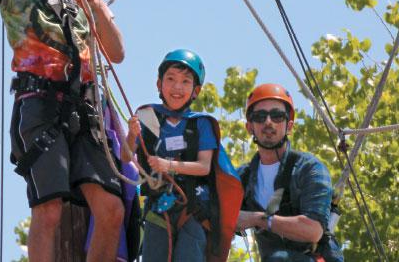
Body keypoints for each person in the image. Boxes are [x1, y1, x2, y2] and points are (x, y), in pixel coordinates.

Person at [0, 0, 127, 262]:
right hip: (41, 103)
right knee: (50, 208)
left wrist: (98, 6)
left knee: (111, 209)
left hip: (84, 109)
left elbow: (116, 53)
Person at [122, 49, 242, 262]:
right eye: (171, 79)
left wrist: (167, 165)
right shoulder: (147, 116)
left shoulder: (201, 123)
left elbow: (204, 166)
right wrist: (131, 136)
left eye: (185, 82)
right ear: (159, 84)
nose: (177, 87)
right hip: (158, 207)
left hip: (193, 209)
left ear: (196, 90)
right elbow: (125, 157)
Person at [236, 84, 344, 262]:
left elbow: (313, 230)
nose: (268, 122)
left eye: (277, 116)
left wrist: (258, 219)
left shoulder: (309, 169)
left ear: (289, 126)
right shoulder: (243, 178)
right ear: (249, 127)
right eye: (260, 116)